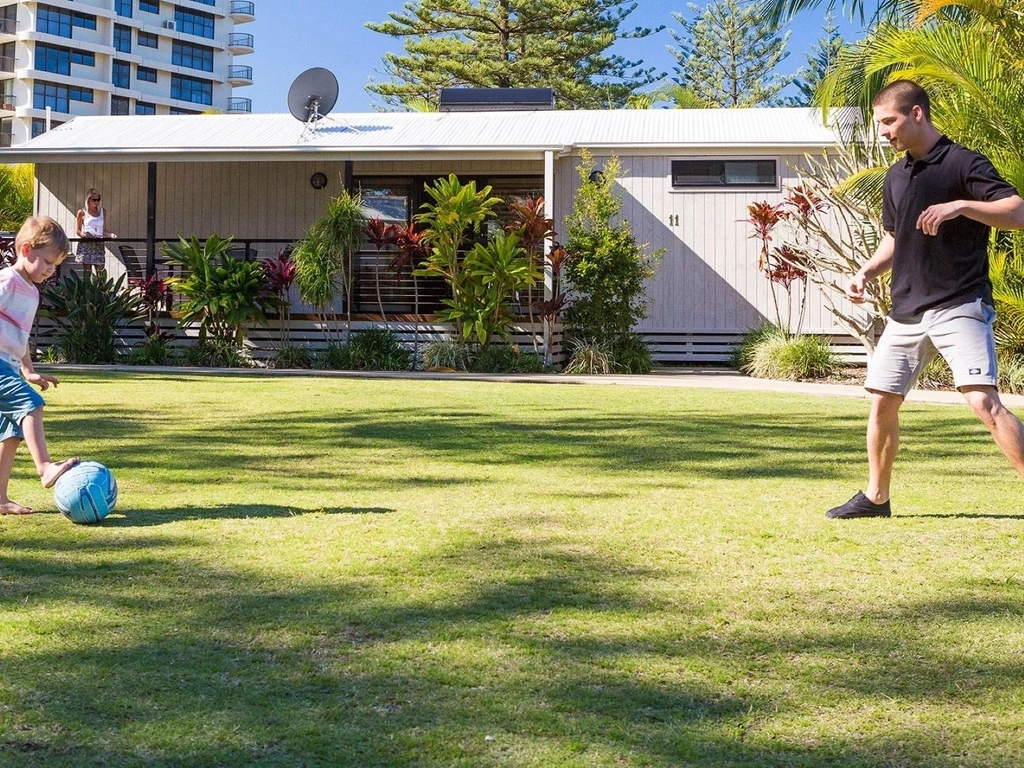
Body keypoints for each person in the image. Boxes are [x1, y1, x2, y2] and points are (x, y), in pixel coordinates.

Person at [827, 79, 1024, 520]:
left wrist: (960, 206)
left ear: (916, 113)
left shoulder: (963, 163)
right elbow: (894, 239)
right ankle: (876, 499)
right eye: (880, 123)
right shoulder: (896, 176)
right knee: (882, 400)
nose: (883, 132)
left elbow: (1017, 212)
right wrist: (865, 270)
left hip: (959, 303)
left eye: (889, 121)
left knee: (983, 402)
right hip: (906, 311)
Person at [0, 216, 80, 515]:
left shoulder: (32, 292)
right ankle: (45, 467)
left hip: (7, 365)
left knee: (10, 433)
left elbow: (19, 337)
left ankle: (0, 499)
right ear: (25, 250)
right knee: (31, 405)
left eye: (55, 265)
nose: (50, 270)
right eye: (47, 261)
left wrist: (28, 370)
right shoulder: (7, 281)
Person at [74, 188, 116, 274]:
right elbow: (78, 230)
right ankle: (88, 287)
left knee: (100, 272)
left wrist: (110, 235)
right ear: (88, 200)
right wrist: (84, 235)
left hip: (98, 244)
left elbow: (103, 230)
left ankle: (100, 287)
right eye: (94, 200)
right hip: (87, 244)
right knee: (87, 273)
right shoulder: (82, 212)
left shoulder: (102, 212)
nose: (96, 202)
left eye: (98, 200)